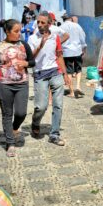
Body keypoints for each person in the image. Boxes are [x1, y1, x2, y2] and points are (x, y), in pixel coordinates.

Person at [0, 19, 35, 157]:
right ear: (7, 32)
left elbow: (32, 61)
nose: (19, 33)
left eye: (20, 31)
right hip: (3, 85)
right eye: (16, 31)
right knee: (7, 114)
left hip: (22, 84)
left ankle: (13, 128)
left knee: (21, 113)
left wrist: (25, 63)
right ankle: (10, 143)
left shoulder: (24, 45)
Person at [28, 11, 70, 146]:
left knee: (58, 104)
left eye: (42, 23)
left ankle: (54, 134)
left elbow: (59, 56)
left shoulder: (55, 37)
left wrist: (65, 74)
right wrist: (40, 45)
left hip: (55, 72)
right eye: (38, 22)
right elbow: (30, 59)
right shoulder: (32, 39)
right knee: (41, 106)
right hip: (40, 74)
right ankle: (35, 123)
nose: (39, 25)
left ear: (49, 24)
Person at [60, 14, 87, 98]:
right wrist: (83, 47)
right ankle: (78, 86)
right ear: (71, 19)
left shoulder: (61, 27)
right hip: (77, 50)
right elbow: (82, 37)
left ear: (63, 19)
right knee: (78, 69)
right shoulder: (77, 26)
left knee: (68, 71)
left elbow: (59, 39)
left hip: (66, 52)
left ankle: (71, 92)